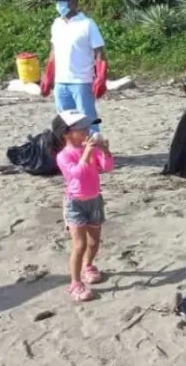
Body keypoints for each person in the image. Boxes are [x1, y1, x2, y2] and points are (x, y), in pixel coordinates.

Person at [53, 110, 114, 302]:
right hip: (75, 203)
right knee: (79, 245)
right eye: (82, 129)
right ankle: (75, 282)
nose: (87, 132)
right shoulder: (64, 155)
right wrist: (87, 153)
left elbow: (106, 167)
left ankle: (88, 265)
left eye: (88, 127)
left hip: (94, 200)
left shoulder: (91, 149)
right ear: (67, 133)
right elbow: (76, 174)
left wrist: (105, 152)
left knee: (94, 242)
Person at [40, 0, 108, 136]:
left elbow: (99, 52)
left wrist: (101, 77)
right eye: (58, 2)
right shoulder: (57, 24)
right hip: (61, 82)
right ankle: (72, 153)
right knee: (65, 121)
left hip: (81, 80)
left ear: (73, 2)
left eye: (63, 2)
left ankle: (94, 152)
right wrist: (48, 75)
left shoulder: (87, 24)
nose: (59, 5)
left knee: (87, 119)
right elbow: (54, 51)